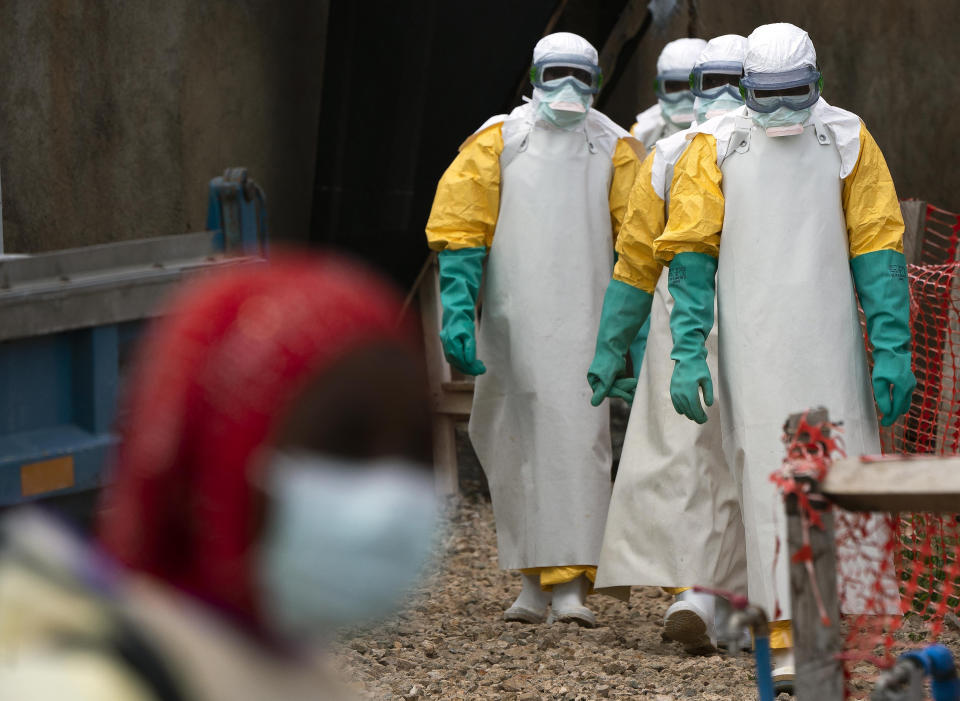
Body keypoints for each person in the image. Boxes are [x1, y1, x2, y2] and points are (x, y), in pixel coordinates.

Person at [0, 254, 438, 700]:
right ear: (220, 460)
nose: (390, 496)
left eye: (417, 448)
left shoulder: (277, 671)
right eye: (345, 446)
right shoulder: (78, 687)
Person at [653, 23, 915, 690]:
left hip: (831, 343)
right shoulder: (714, 145)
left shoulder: (848, 138)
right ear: (744, 89)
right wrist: (688, 349)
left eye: (791, 95)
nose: (778, 111)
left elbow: (878, 245)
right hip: (752, 344)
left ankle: (849, 629)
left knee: (844, 473)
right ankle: (782, 630)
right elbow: (690, 249)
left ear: (817, 85)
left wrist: (891, 346)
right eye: (763, 96)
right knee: (766, 475)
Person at [425, 32, 643, 627]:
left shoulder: (616, 149)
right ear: (535, 76)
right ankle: (529, 580)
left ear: (596, 82)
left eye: (582, 76)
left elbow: (638, 242)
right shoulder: (498, 142)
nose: (569, 89)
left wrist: (634, 335)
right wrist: (458, 308)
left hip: (587, 323)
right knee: (510, 440)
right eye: (558, 74)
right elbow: (462, 227)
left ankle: (572, 584)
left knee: (580, 446)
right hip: (513, 324)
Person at [589, 34, 750, 655]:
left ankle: (726, 594)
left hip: (708, 329)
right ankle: (704, 591)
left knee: (715, 459)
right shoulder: (670, 154)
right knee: (696, 461)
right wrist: (613, 345)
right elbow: (634, 260)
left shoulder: (679, 151)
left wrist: (613, 344)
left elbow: (631, 265)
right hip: (704, 329)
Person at [630, 37, 707, 153]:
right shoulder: (640, 135)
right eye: (674, 86)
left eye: (693, 86)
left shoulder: (731, 131)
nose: (684, 95)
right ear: (660, 88)